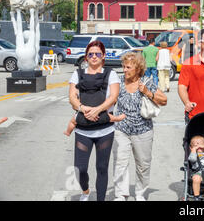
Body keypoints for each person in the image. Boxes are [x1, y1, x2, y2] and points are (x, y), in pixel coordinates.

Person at [68, 40, 120, 201]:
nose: (94, 57)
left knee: (102, 167)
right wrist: (83, 108)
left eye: (98, 53)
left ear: (103, 56)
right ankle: (85, 191)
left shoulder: (111, 73)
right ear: (86, 57)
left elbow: (113, 97)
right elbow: (72, 97)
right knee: (80, 168)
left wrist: (98, 109)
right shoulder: (77, 74)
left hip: (105, 129)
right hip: (83, 129)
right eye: (91, 54)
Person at [113, 51, 167, 201]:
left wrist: (147, 92)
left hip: (143, 130)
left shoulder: (146, 82)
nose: (124, 70)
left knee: (143, 164)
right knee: (120, 162)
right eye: (123, 67)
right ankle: (121, 194)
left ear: (138, 68)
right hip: (121, 129)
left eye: (128, 67)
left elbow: (164, 100)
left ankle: (139, 193)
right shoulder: (118, 81)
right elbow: (110, 100)